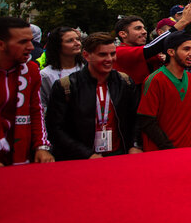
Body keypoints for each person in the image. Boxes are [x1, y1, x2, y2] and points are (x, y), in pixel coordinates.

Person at [45, 32, 141, 160]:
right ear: (86, 55)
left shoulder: (125, 82)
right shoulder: (66, 86)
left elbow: (136, 118)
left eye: (112, 54)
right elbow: (55, 129)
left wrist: (134, 145)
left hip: (118, 154)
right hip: (81, 159)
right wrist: (87, 154)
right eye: (102, 54)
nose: (109, 59)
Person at [137, 31, 191, 151]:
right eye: (186, 49)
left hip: (185, 150)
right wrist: (169, 148)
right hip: (160, 153)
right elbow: (147, 121)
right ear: (171, 52)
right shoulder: (155, 80)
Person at [0, 17, 54, 167]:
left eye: (31, 40)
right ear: (0, 45)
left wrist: (41, 147)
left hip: (19, 155)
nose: (31, 47)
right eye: (22, 42)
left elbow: (36, 111)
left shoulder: (31, 70)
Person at [114, 0, 191, 85]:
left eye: (144, 28)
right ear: (123, 34)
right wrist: (183, 21)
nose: (144, 32)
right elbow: (151, 48)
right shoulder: (119, 52)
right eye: (138, 28)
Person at [39, 27, 84, 113]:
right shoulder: (46, 74)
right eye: (70, 41)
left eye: (78, 39)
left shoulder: (86, 68)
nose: (77, 43)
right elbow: (42, 104)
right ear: (58, 45)